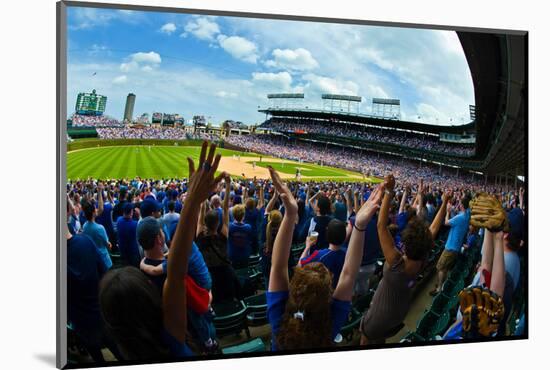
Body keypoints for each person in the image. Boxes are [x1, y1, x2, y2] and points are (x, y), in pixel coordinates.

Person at [99, 141, 226, 360]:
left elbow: (174, 274)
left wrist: (194, 202)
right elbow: (175, 274)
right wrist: (194, 200)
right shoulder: (172, 339)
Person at [267, 166, 383, 350]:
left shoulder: (280, 320)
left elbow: (278, 266)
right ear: (328, 295)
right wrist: (359, 226)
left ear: (294, 288)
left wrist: (290, 214)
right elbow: (348, 274)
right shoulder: (329, 325)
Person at [359, 175, 450, 345]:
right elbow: (435, 228)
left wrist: (389, 191)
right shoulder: (423, 259)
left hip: (379, 316)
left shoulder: (397, 263)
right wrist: (444, 203)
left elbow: (381, 225)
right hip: (398, 314)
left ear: (406, 244)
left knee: (365, 342)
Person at [67, 226, 121, 363]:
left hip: (80, 322)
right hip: (102, 313)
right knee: (120, 351)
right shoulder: (85, 241)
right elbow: (104, 273)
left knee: (97, 358)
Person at [431, 194, 472, 296]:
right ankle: (441, 285)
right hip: (456, 247)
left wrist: (448, 212)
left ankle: (439, 288)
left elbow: (446, 222)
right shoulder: (467, 214)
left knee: (440, 267)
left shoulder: (460, 217)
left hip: (451, 247)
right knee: (445, 268)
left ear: (462, 205)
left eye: (459, 203)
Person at [298, 219, 347, 288]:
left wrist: (307, 247)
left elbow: (300, 265)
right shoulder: (347, 255)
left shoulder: (319, 255)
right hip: (339, 291)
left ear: (327, 235)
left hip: (322, 293)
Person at [82, 192, 113, 270]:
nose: (96, 209)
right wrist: (109, 245)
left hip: (93, 257)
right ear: (93, 213)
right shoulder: (100, 228)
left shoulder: (85, 226)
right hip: (103, 259)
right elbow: (107, 244)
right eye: (95, 209)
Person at [116, 202, 140, 268]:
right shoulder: (135, 224)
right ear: (132, 211)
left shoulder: (118, 220)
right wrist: (139, 216)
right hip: (132, 253)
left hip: (122, 251)